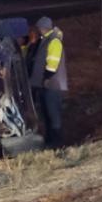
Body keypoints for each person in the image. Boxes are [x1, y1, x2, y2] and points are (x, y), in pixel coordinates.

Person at [30, 15, 66, 149]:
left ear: (42, 28)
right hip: (47, 85)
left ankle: (57, 143)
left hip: (52, 85)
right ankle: (50, 140)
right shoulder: (45, 40)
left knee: (53, 114)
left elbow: (52, 64)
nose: (38, 30)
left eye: (38, 28)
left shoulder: (54, 41)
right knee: (47, 114)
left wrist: (46, 78)